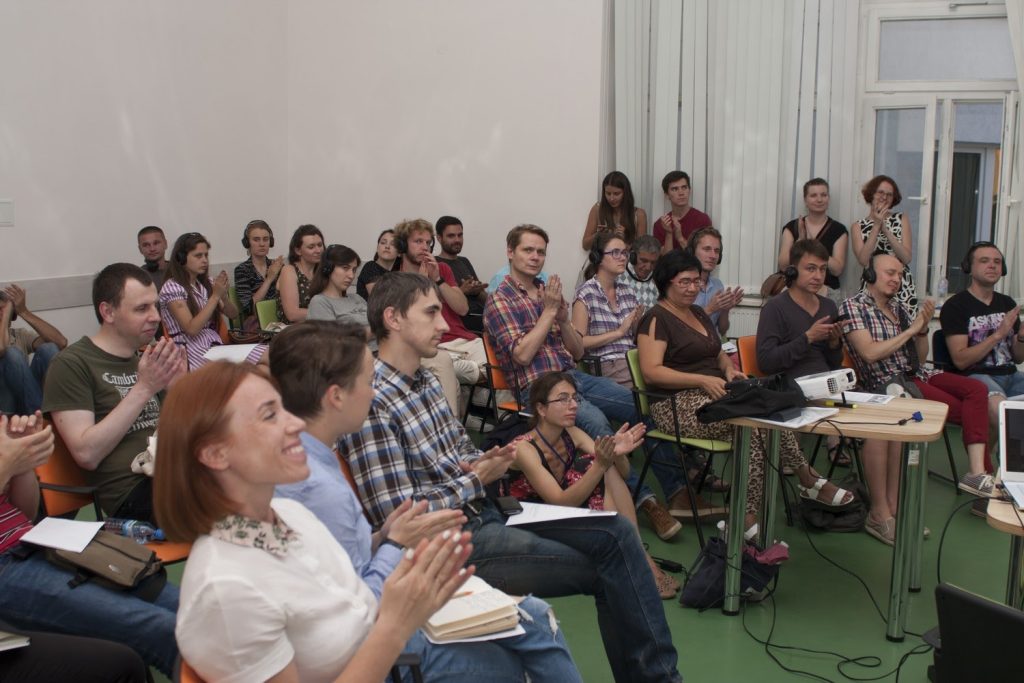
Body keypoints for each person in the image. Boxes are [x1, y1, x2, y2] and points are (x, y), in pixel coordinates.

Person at [340, 272, 682, 683]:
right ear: (393, 319)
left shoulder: (426, 381)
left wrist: (490, 460)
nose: (444, 324)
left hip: (488, 511)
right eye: (431, 313)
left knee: (618, 533)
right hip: (450, 542)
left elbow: (463, 452)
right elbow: (400, 516)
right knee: (613, 565)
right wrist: (475, 478)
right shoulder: (373, 400)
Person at [159, 359, 584, 683]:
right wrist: (396, 623)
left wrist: (390, 545)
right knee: (522, 654)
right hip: (388, 653)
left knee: (527, 634)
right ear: (215, 454)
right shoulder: (227, 589)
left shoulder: (286, 514)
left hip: (386, 639)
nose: (294, 424)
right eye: (270, 415)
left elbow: (347, 595)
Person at [268, 320, 583, 679]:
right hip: (375, 642)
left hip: (377, 609)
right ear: (336, 397)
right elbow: (357, 606)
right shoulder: (315, 484)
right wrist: (395, 543)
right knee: (527, 636)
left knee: (532, 622)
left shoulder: (317, 461)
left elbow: (343, 558)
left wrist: (383, 536)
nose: (373, 393)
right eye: (367, 383)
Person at [485, 225, 695, 540]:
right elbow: (523, 355)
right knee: (597, 423)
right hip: (539, 388)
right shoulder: (500, 300)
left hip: (573, 376)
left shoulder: (546, 292)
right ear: (510, 252)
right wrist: (549, 312)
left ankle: (677, 492)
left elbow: (577, 351)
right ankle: (647, 502)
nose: (535, 257)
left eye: (540, 251)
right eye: (528, 250)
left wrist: (562, 320)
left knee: (643, 405)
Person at [637, 250, 853, 537]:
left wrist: (728, 370)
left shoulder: (698, 313)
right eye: (684, 282)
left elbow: (717, 353)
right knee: (754, 427)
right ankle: (793, 489)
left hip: (715, 394)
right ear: (666, 283)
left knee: (768, 416)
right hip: (675, 405)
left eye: (696, 281)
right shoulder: (656, 318)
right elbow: (651, 372)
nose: (692, 288)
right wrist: (701, 380)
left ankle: (753, 513)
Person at [0, 411, 178, 676]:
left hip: (39, 541)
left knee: (188, 609)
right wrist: (7, 465)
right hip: (9, 565)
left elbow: (23, 514)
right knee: (165, 631)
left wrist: (22, 464)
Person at [841, 254, 992, 544]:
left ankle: (976, 474)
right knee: (899, 420)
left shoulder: (899, 308)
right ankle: (883, 512)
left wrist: (921, 331)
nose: (896, 279)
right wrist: (911, 330)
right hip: (881, 384)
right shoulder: (854, 306)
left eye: (900, 274)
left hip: (914, 376)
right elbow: (869, 353)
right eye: (890, 273)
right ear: (870, 275)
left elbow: (919, 358)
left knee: (976, 393)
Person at [509, 371, 681, 599]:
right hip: (531, 520)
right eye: (563, 399)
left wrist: (617, 453)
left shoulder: (572, 433)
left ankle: (639, 554)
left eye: (574, 398)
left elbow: (623, 472)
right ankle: (638, 563)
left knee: (605, 466)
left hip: (562, 510)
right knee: (596, 464)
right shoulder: (524, 448)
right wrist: (601, 463)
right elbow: (560, 502)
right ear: (541, 408)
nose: (573, 405)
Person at [43, 264, 186, 522]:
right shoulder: (71, 364)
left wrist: (179, 390)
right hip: (134, 491)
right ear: (108, 312)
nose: (155, 316)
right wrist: (144, 388)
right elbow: (86, 454)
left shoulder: (143, 361)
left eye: (155, 306)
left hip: (174, 470)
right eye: (142, 309)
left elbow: (179, 431)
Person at [940, 241, 1023, 476]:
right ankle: (1007, 476)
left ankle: (1001, 466)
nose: (992, 266)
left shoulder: (1007, 303)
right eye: (984, 261)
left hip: (1010, 374)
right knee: (1002, 411)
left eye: (997, 262)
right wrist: (998, 334)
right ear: (969, 267)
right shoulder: (955, 306)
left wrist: (1022, 338)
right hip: (975, 376)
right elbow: (960, 360)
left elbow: (1018, 358)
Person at [394, 219, 485, 413]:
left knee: (503, 365)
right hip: (434, 345)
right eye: (418, 241)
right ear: (402, 245)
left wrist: (437, 279)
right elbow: (410, 323)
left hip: (463, 340)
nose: (424, 247)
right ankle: (469, 374)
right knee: (450, 368)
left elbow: (462, 309)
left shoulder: (442, 269)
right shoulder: (395, 280)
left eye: (428, 242)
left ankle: (502, 421)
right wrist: (422, 283)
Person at [159, 232, 265, 370]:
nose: (204, 260)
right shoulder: (172, 287)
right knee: (256, 365)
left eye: (206, 255)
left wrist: (223, 296)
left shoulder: (206, 283)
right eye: (198, 256)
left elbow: (233, 314)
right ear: (182, 258)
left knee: (269, 356)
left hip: (215, 346)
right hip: (190, 351)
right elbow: (191, 329)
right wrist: (215, 296)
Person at [572, 232, 643, 386]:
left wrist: (638, 322)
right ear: (598, 258)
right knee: (648, 392)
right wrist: (618, 332)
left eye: (625, 253)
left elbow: (635, 335)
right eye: (616, 252)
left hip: (635, 358)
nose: (623, 258)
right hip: (608, 363)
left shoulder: (628, 291)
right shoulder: (586, 293)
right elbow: (579, 343)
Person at [851, 175, 918, 313]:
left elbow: (906, 258)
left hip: (900, 285)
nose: (884, 197)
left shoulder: (901, 218)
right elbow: (863, 260)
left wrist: (886, 230)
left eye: (889, 194)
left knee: (904, 324)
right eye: (880, 192)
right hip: (873, 282)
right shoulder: (857, 226)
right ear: (871, 194)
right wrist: (876, 225)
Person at [0, 283, 66, 415]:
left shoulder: (19, 334)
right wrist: (6, 315)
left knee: (49, 348)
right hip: (6, 406)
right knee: (11, 353)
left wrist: (23, 311)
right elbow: (1, 348)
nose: (2, 313)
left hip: (27, 402)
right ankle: (39, 415)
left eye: (4, 310)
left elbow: (61, 342)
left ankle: (49, 411)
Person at [777, 178, 849, 297]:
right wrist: (800, 241)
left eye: (823, 195)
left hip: (826, 292)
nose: (819, 200)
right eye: (813, 195)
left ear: (828, 198)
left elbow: (837, 270)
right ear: (805, 200)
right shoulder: (792, 227)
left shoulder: (838, 229)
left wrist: (812, 244)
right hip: (795, 291)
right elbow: (783, 266)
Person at [306, 244, 372, 344]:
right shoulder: (320, 302)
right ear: (328, 269)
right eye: (345, 268)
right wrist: (378, 330)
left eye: (354, 270)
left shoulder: (357, 298)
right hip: (358, 353)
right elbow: (332, 342)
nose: (351, 275)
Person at [436, 215, 488, 334]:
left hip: (482, 319)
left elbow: (485, 300)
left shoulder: (464, 261)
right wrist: (462, 291)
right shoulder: (435, 265)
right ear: (439, 238)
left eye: (460, 235)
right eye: (451, 236)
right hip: (460, 326)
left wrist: (478, 290)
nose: (457, 240)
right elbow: (436, 304)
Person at [688, 227, 743, 336]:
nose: (713, 256)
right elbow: (680, 328)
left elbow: (722, 330)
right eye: (707, 249)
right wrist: (709, 309)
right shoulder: (683, 285)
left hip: (713, 344)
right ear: (692, 252)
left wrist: (725, 310)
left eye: (717, 251)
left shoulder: (718, 285)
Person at [233, 219, 283, 326]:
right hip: (256, 324)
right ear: (247, 243)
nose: (262, 244)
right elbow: (250, 309)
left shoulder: (278, 267)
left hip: (280, 320)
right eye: (256, 239)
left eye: (266, 239)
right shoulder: (242, 270)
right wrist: (269, 279)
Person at [581, 171, 647, 250]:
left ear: (626, 193)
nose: (611, 198)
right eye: (608, 193)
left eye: (616, 194)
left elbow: (642, 252)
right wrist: (598, 235)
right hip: (603, 257)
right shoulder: (597, 209)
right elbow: (585, 245)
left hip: (626, 257)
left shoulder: (639, 214)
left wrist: (623, 241)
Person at [652, 171, 712, 252]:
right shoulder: (660, 224)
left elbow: (704, 255)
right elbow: (666, 258)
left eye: (684, 187)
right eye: (675, 189)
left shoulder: (702, 219)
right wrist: (669, 233)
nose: (681, 193)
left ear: (689, 190)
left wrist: (680, 238)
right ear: (667, 195)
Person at [277, 224, 324, 323]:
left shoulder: (322, 271)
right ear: (298, 251)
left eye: (320, 245)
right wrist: (328, 313)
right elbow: (292, 314)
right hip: (294, 329)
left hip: (318, 326)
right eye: (311, 247)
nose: (318, 250)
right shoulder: (289, 270)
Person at [620, 235, 661, 309]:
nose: (648, 267)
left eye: (653, 263)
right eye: (644, 261)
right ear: (633, 256)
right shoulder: (618, 275)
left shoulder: (658, 280)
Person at [357, 228, 398, 300]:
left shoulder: (397, 274)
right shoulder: (370, 266)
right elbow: (380, 300)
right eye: (383, 242)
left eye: (393, 244)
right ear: (377, 248)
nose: (387, 246)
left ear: (400, 252)